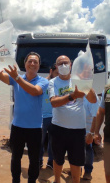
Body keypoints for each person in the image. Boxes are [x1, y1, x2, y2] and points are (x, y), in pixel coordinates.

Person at [0, 52, 49, 183]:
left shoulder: (43, 81)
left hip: (35, 128)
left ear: (38, 65)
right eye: (30, 61)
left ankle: (31, 180)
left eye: (35, 62)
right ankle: (15, 180)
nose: (32, 63)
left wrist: (18, 78)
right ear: (24, 64)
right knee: (15, 157)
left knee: (34, 159)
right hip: (17, 127)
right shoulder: (15, 78)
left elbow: (34, 91)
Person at [48, 55, 96, 183]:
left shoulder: (78, 80)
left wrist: (85, 82)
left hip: (78, 129)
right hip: (58, 127)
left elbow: (93, 100)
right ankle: (57, 180)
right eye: (60, 63)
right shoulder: (53, 82)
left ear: (71, 65)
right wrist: (72, 96)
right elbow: (54, 102)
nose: (63, 65)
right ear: (56, 67)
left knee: (76, 162)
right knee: (58, 159)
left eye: (66, 63)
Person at [39, 63, 58, 170]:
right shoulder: (42, 83)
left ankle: (50, 161)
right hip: (41, 117)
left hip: (55, 118)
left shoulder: (59, 84)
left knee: (52, 142)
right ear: (51, 71)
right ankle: (39, 160)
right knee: (39, 141)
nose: (58, 76)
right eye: (56, 73)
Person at [82, 96, 100, 180]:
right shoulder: (76, 95)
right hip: (75, 129)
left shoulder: (93, 97)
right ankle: (75, 169)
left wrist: (91, 133)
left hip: (87, 130)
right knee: (74, 151)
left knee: (88, 150)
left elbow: (96, 116)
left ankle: (88, 172)